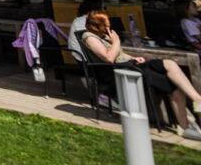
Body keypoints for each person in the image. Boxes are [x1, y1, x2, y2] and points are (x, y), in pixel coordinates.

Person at [81, 12, 201, 140]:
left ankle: (197, 99)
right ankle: (184, 126)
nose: (109, 26)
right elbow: (109, 58)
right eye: (107, 24)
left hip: (131, 64)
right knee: (173, 85)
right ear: (97, 25)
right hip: (123, 70)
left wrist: (133, 57)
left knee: (169, 63)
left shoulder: (104, 36)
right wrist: (116, 41)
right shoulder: (90, 38)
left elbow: (118, 54)